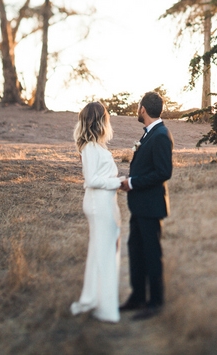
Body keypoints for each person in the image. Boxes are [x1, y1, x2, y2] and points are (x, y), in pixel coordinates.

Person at [119, 91, 173, 320]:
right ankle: (138, 296)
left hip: (150, 206)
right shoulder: (149, 133)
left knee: (151, 254)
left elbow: (163, 172)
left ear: (143, 109)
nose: (137, 110)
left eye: (138, 107)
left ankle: (156, 302)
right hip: (140, 205)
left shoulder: (160, 134)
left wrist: (132, 182)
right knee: (136, 250)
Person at [71, 102, 123, 323]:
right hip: (98, 203)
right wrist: (117, 182)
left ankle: (94, 297)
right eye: (106, 116)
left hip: (106, 202)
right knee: (104, 252)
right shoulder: (90, 148)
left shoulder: (98, 146)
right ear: (99, 120)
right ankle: (105, 308)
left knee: (103, 250)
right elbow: (91, 180)